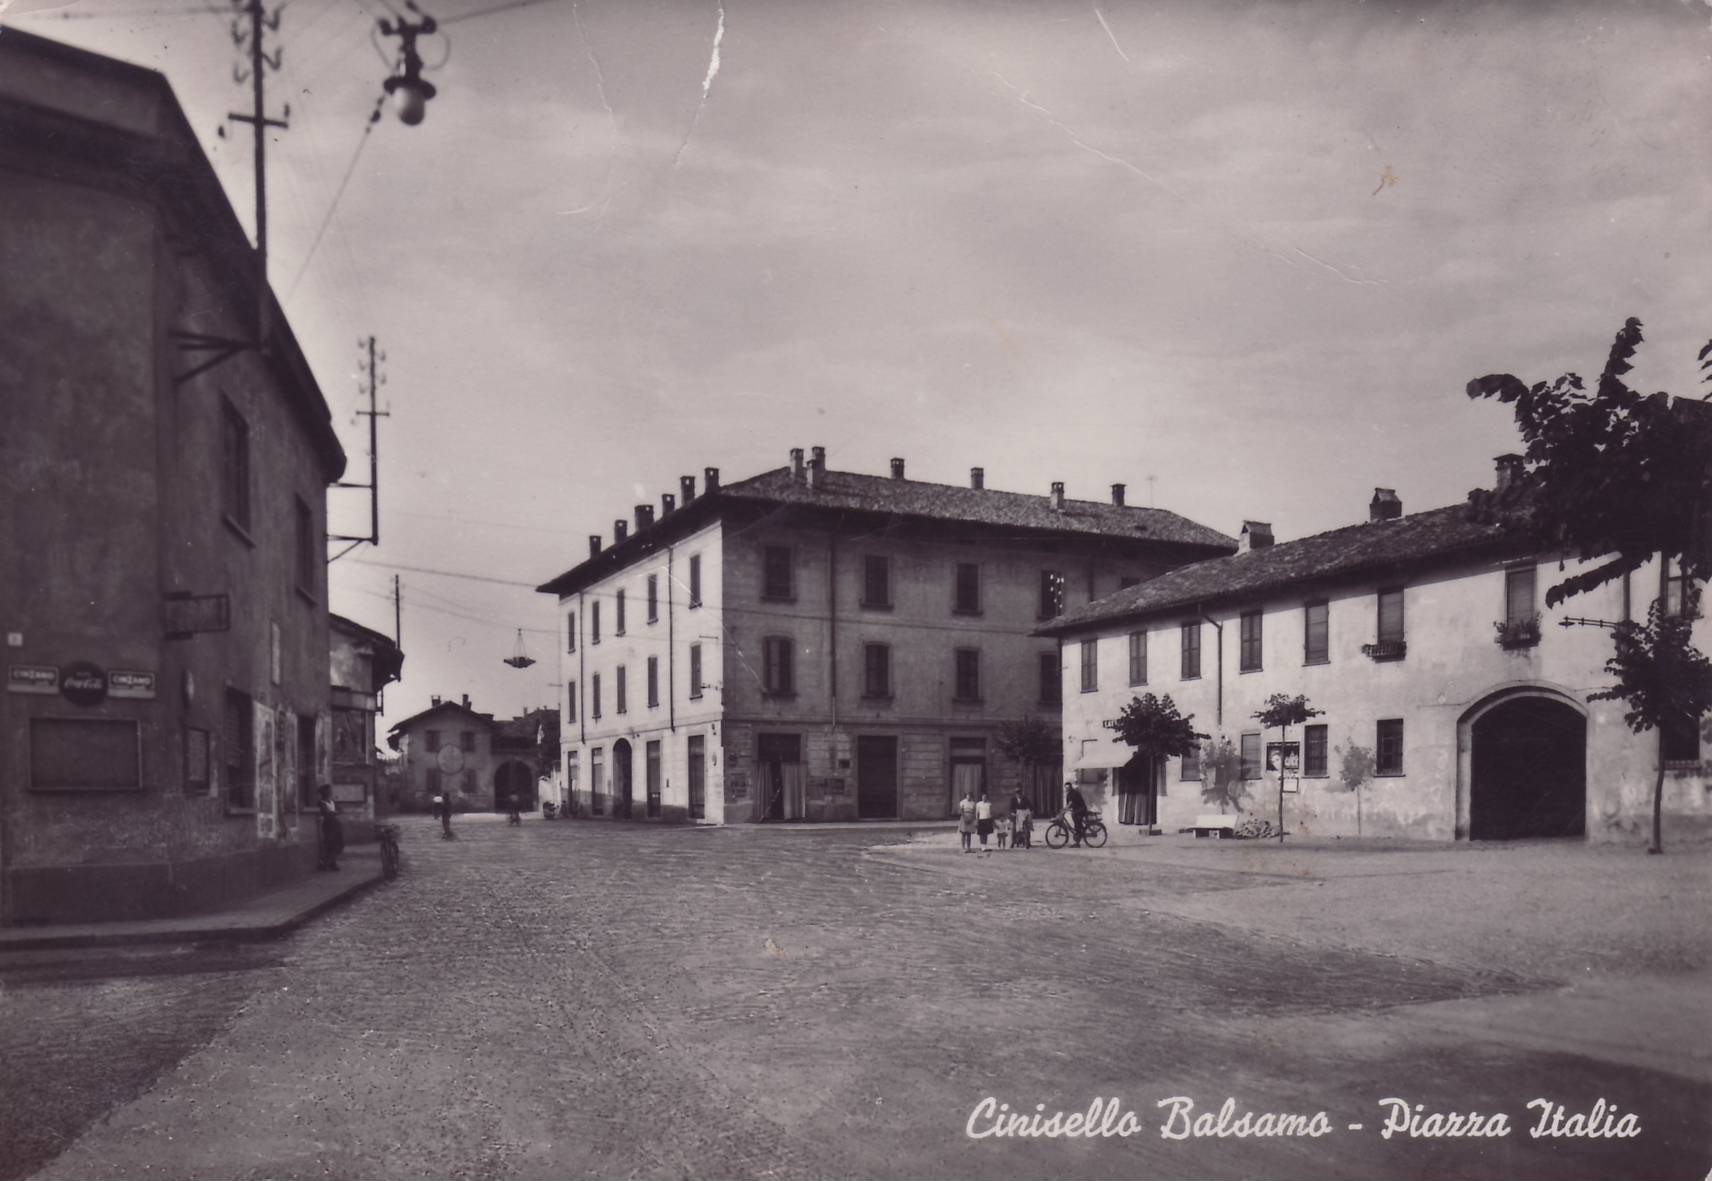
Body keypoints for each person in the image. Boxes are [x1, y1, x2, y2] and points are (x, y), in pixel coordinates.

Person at [316, 783, 344, 871]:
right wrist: (334, 812)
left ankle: (332, 861)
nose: (330, 792)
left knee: (339, 843)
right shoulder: (321, 803)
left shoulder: (332, 802)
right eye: (328, 791)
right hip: (328, 826)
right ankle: (328, 863)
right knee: (330, 843)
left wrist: (334, 812)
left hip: (336, 825)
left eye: (330, 791)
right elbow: (326, 813)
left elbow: (340, 810)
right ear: (324, 792)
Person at [1064, 780, 1089, 847]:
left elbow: (1071, 803)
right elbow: (1068, 804)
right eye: (1066, 788)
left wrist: (1065, 809)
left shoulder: (1074, 793)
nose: (1067, 789)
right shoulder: (1068, 794)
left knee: (1076, 820)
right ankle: (1079, 831)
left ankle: (1078, 840)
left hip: (1081, 809)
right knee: (1074, 817)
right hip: (1077, 809)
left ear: (1071, 787)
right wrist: (1065, 809)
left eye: (1068, 787)